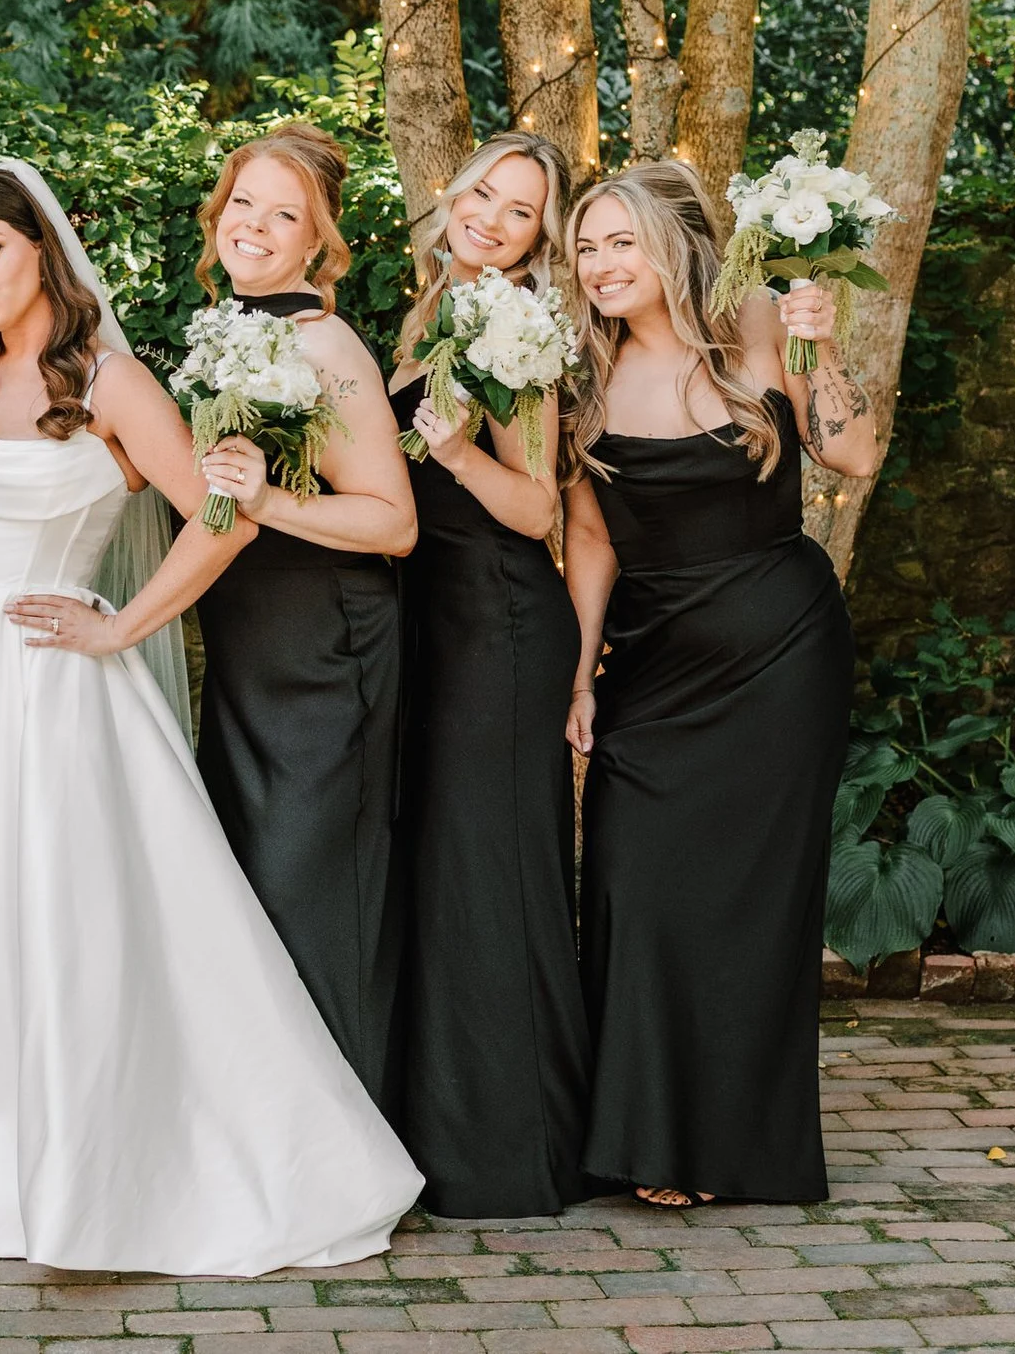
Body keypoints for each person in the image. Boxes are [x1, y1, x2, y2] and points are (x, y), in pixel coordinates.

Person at [0, 146, 421, 1275]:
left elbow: (215, 512)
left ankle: (72, 1158)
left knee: (52, 912)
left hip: (43, 673)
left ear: (42, 247)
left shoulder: (112, 383)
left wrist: (123, 626)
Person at [560, 160, 881, 1208]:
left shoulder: (755, 321)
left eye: (619, 242)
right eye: (586, 245)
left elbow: (855, 457)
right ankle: (643, 1127)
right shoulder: (579, 369)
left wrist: (822, 340)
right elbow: (593, 535)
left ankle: (716, 1146)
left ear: (671, 246)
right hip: (653, 660)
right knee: (633, 879)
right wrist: (581, 674)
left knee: (748, 901)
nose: (600, 264)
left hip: (779, 655)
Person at [189, 122, 416, 1109]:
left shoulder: (325, 344)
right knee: (248, 887)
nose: (255, 225)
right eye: (244, 202)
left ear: (320, 243)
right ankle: (266, 1122)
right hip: (248, 652)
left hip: (327, 655)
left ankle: (340, 1131)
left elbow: (393, 521)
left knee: (309, 887)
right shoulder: (226, 331)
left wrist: (271, 501)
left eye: (285, 215)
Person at [387, 131, 590, 1217]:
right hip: (432, 617)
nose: (493, 220)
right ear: (453, 194)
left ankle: (521, 1151)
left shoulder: (520, 327)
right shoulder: (429, 310)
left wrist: (458, 449)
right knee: (444, 867)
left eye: (520, 213)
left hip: (499, 621)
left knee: (492, 873)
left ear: (536, 240)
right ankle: (444, 1128)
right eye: (485, 196)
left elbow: (537, 506)